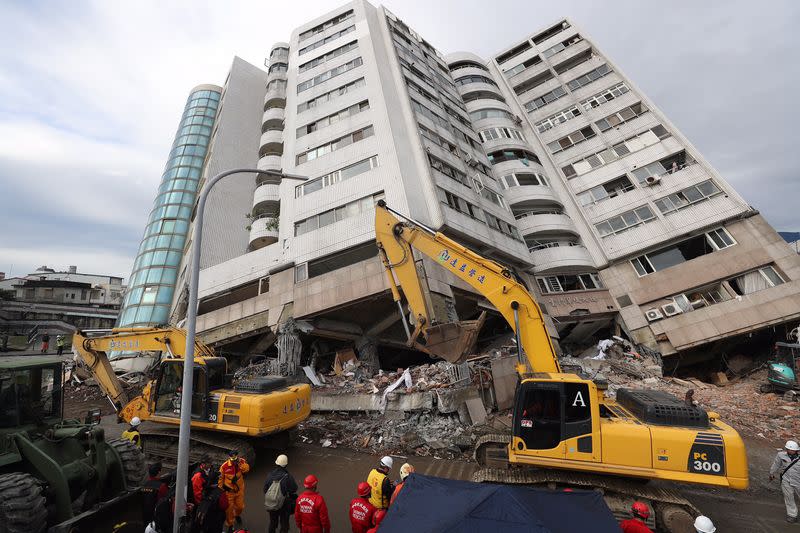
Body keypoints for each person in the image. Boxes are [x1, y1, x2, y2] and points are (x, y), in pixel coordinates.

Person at [263, 454, 298, 533]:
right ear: (286, 464)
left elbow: (265, 489)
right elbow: (294, 489)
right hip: (284, 504)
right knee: (284, 524)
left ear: (276, 463)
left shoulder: (270, 475)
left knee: (272, 522)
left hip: (272, 503)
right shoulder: (287, 476)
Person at [219, 449, 250, 531]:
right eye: (233, 460)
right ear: (229, 458)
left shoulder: (241, 461)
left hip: (239, 491)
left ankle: (237, 515)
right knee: (229, 510)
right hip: (229, 492)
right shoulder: (224, 467)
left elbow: (246, 469)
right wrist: (221, 490)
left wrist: (240, 464)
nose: (234, 461)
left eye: (235, 459)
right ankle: (230, 524)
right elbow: (220, 480)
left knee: (240, 507)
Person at [770, 439, 800, 523]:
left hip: (798, 481)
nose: (790, 450)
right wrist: (771, 473)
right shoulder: (781, 455)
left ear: (796, 450)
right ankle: (792, 515)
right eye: (788, 449)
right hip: (786, 481)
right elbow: (776, 464)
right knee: (788, 497)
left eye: (792, 450)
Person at [141, 463, 169, 527]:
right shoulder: (162, 486)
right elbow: (164, 502)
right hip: (156, 516)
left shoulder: (144, 484)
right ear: (159, 472)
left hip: (145, 515)